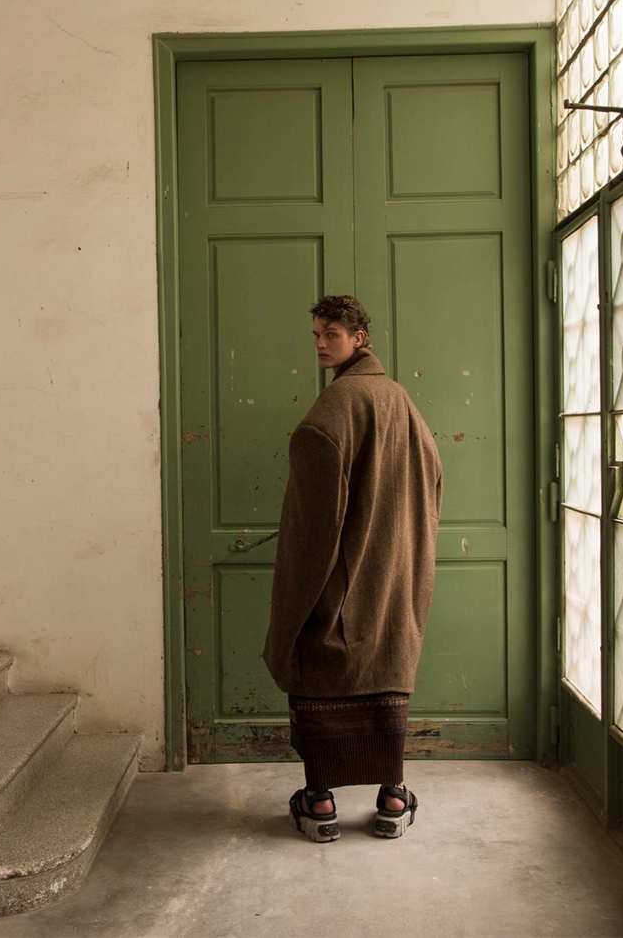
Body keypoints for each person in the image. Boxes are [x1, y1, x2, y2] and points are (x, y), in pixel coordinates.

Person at [263, 294, 442, 841]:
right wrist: (405, 553)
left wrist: (297, 601)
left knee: (321, 673)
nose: (320, 344)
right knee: (388, 671)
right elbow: (433, 478)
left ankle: (320, 803)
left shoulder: (331, 411)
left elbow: (312, 528)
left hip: (340, 579)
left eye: (332, 334)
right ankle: (393, 798)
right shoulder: (400, 400)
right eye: (317, 334)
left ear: (358, 339)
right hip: (397, 574)